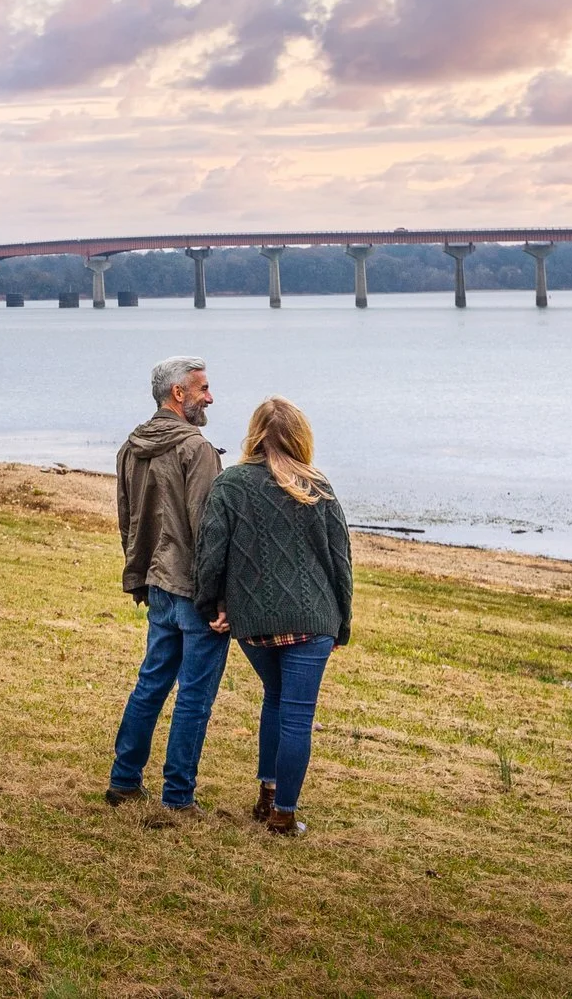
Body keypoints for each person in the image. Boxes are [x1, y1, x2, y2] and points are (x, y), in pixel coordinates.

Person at [194, 396, 353, 837]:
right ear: (301, 437)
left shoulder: (231, 485)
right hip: (313, 619)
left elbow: (211, 555)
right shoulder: (318, 485)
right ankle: (283, 813)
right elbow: (341, 560)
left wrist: (212, 605)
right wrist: (343, 623)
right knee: (297, 714)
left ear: (254, 435)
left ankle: (267, 794)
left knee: (275, 699)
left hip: (255, 623)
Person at [107, 355, 227, 812]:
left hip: (157, 583)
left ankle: (124, 780)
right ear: (178, 393)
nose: (210, 397)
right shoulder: (195, 449)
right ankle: (178, 796)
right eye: (203, 389)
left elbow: (128, 521)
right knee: (194, 695)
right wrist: (218, 596)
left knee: (152, 683)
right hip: (193, 590)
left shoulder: (132, 446)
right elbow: (208, 529)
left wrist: (138, 574)